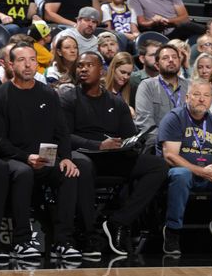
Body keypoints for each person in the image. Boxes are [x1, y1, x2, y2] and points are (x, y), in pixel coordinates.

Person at [0, 42, 93, 260]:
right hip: (13, 158)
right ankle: (21, 241)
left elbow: (61, 132)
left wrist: (66, 158)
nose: (28, 65)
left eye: (32, 59)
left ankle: (63, 242)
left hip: (44, 158)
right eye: (22, 60)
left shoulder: (48, 94)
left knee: (69, 172)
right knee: (23, 173)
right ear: (11, 64)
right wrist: (26, 157)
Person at [60, 52, 167, 255]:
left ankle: (120, 221)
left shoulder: (116, 102)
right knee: (84, 164)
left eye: (89, 65)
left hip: (112, 157)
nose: (83, 69)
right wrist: (99, 145)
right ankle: (88, 234)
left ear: (101, 71)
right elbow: (64, 136)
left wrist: (131, 143)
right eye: (80, 66)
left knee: (158, 166)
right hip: (83, 155)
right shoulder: (68, 99)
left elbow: (128, 135)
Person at [158, 78, 212, 255]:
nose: (201, 99)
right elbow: (170, 155)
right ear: (187, 98)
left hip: (207, 173)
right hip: (184, 173)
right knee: (181, 174)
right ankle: (172, 231)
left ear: (211, 100)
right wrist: (201, 171)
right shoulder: (175, 118)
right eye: (197, 95)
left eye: (206, 95)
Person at [134, 44, 189, 146]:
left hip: (188, 143)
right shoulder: (147, 86)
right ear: (157, 65)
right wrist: (170, 140)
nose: (171, 60)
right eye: (165, 58)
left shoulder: (190, 87)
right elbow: (145, 124)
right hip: (159, 143)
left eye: (174, 57)